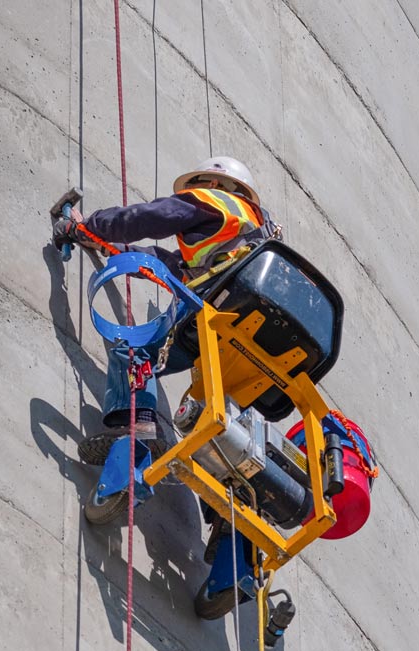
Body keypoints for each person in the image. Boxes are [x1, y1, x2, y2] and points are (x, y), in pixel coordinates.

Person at [52, 156, 280, 465]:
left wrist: (88, 226)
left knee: (132, 351)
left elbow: (145, 218)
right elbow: (168, 267)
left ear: (213, 183)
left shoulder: (212, 199)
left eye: (195, 187)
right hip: (255, 339)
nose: (189, 193)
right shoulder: (252, 237)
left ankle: (139, 426)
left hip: (214, 314)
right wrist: (106, 246)